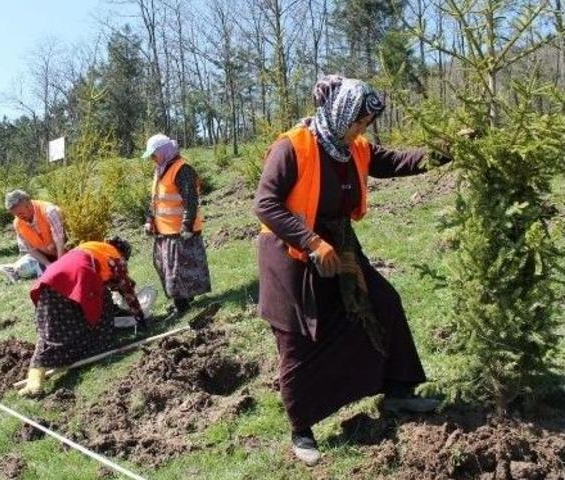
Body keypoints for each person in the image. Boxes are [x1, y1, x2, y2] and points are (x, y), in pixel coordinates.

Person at [254, 75, 447, 466]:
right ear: (340, 113)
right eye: (358, 121)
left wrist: (447, 151)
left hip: (338, 242)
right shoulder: (292, 147)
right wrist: (311, 243)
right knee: (299, 336)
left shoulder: (353, 148)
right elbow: (265, 204)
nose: (362, 130)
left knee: (382, 302)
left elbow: (395, 162)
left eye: (366, 124)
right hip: (291, 250)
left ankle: (397, 390)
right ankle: (301, 429)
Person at [18, 236, 144, 396]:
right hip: (77, 281)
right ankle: (96, 346)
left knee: (49, 331)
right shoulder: (116, 257)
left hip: (49, 282)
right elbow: (125, 289)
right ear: (124, 254)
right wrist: (140, 317)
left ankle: (34, 382)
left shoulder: (91, 246)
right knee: (101, 307)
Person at [142, 134, 211, 319]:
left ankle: (182, 308)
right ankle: (183, 303)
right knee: (167, 270)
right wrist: (149, 220)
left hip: (180, 232)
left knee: (177, 273)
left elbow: (191, 200)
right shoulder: (160, 169)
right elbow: (155, 200)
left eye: (153, 154)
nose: (151, 159)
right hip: (164, 231)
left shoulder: (183, 169)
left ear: (164, 151)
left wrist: (187, 226)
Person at [6, 189, 67, 270]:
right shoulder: (17, 224)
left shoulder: (49, 211)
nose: (19, 217)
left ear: (28, 205)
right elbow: (31, 250)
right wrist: (48, 265)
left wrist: (60, 264)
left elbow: (59, 239)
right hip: (48, 258)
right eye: (16, 215)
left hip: (68, 252)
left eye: (20, 213)